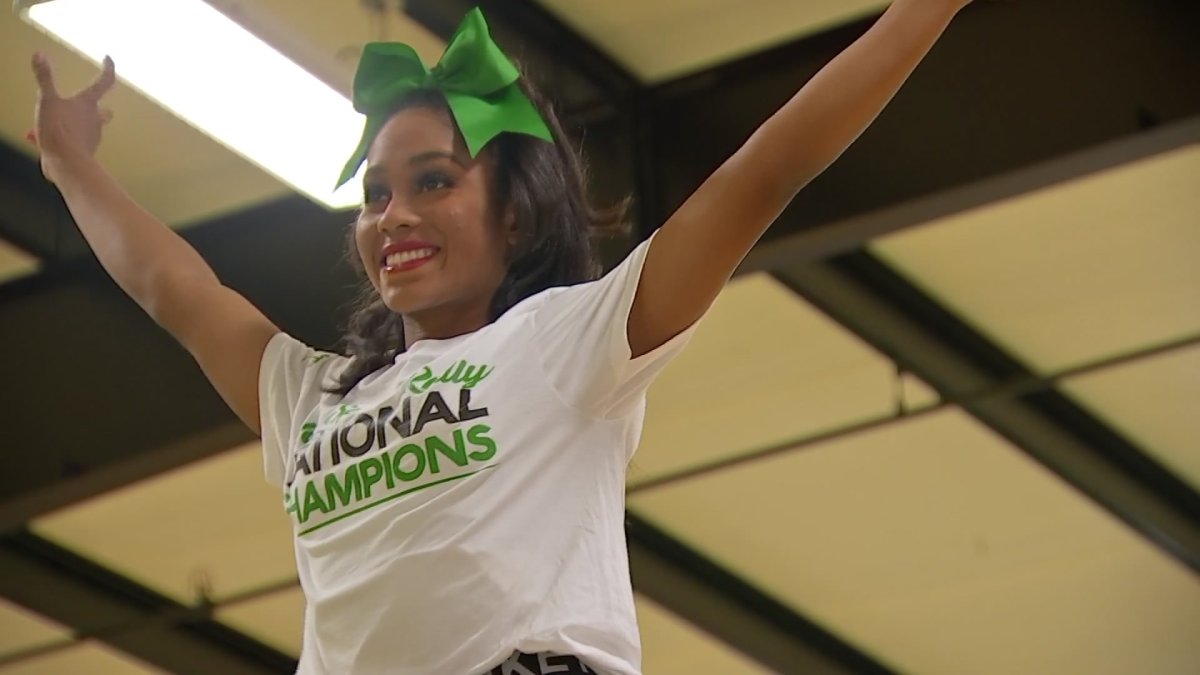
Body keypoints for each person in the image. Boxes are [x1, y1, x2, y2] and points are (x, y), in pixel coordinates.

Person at [27, 1, 974, 673]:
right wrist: (70, 167)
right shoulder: (309, 398)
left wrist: (922, 12)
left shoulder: (566, 343)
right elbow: (176, 287)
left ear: (515, 218)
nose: (394, 213)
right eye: (377, 192)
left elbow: (762, 174)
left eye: (434, 181)